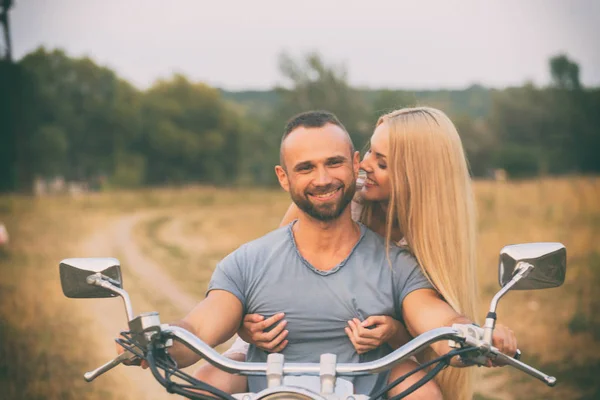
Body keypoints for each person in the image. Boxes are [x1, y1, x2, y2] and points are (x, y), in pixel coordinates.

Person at [123, 110, 516, 399]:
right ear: (284, 177)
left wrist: (474, 336)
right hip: (270, 366)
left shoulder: (406, 259)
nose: (326, 178)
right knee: (205, 388)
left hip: (371, 369)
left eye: (336, 163)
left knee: (424, 393)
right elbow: (214, 316)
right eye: (306, 168)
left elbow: (437, 318)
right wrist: (160, 341)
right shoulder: (252, 258)